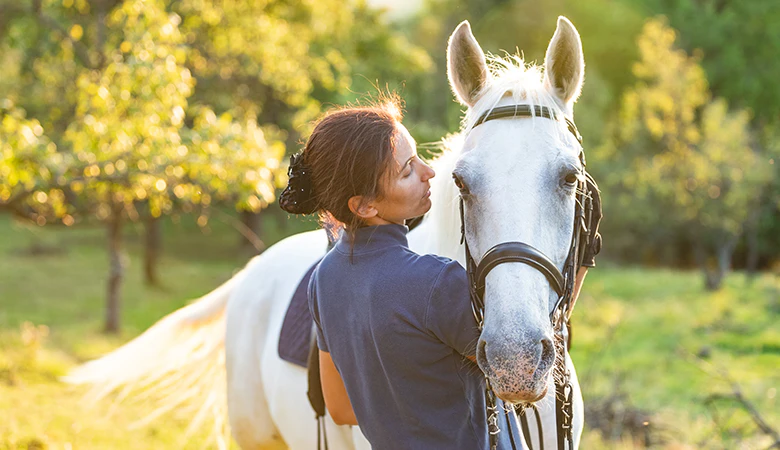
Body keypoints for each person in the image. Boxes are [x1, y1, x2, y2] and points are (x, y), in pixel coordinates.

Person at [278, 98, 600, 449]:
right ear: (365, 205)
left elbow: (340, 408)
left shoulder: (323, 279)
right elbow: (522, 373)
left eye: (418, 158)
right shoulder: (437, 284)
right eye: (407, 171)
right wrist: (580, 265)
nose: (429, 172)